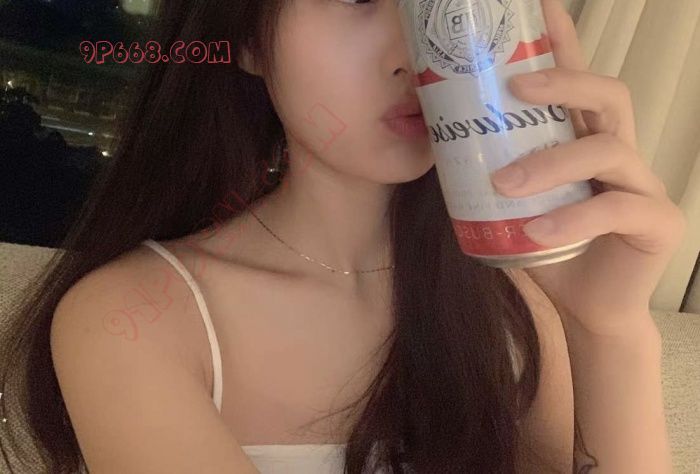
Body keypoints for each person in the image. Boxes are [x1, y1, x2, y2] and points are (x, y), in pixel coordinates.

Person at [0, 0, 682, 472]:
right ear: (248, 37)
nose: (419, 55)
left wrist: (609, 331)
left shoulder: (516, 308)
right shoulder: (133, 322)